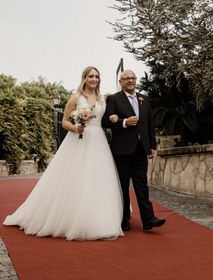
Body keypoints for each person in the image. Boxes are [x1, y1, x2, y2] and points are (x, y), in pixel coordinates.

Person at [3, 66, 123, 240]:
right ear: (84, 78)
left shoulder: (102, 98)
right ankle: (71, 217)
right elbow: (65, 121)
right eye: (91, 76)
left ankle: (99, 219)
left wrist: (113, 118)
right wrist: (76, 128)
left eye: (97, 76)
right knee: (76, 178)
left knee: (98, 179)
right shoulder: (76, 97)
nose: (94, 79)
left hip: (98, 141)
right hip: (79, 140)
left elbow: (104, 119)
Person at [102, 70, 165, 232]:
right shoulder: (114, 99)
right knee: (122, 186)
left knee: (142, 185)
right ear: (120, 81)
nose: (130, 81)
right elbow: (105, 121)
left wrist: (152, 146)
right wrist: (123, 122)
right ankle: (123, 220)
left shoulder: (144, 99)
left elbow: (150, 124)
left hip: (140, 149)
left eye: (133, 78)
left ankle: (148, 219)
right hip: (121, 150)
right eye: (127, 78)